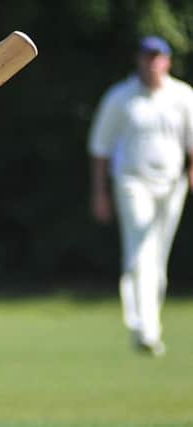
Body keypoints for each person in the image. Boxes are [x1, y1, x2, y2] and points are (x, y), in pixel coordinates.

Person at [88, 35, 193, 356]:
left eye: (158, 57)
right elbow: (100, 148)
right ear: (139, 60)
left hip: (171, 185)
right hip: (132, 182)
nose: (152, 63)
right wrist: (100, 193)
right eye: (147, 57)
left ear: (167, 62)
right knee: (142, 252)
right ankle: (147, 329)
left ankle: (142, 322)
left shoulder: (183, 96)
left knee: (157, 257)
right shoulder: (120, 97)